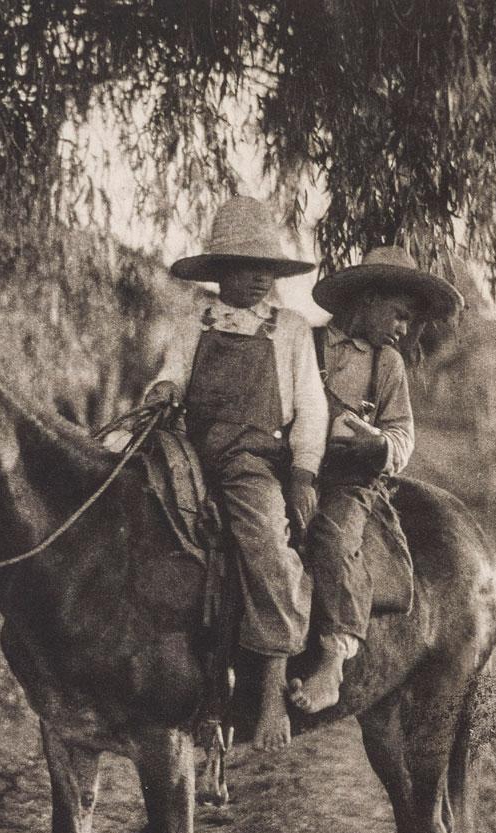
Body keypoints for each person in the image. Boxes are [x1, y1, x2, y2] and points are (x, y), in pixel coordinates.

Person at [145, 196, 329, 750]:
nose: (256, 280)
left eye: (266, 269)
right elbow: (172, 373)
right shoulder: (193, 321)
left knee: (269, 546)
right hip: (188, 451)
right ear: (219, 271)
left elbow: (311, 407)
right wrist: (162, 390)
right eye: (244, 268)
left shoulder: (291, 329)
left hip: (250, 462)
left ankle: (271, 694)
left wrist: (302, 473)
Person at [289, 246, 463, 713]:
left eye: (408, 321)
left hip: (350, 480)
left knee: (331, 536)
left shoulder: (387, 364)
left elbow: (403, 432)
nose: (403, 329)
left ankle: (333, 659)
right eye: (400, 316)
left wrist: (379, 446)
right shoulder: (302, 341)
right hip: (293, 468)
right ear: (368, 298)